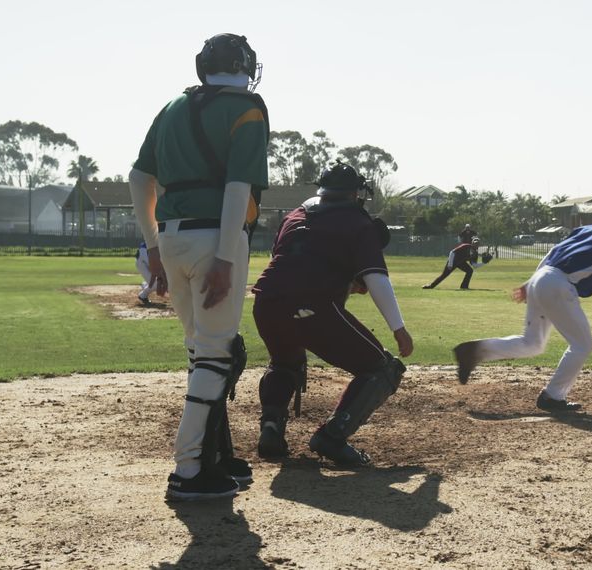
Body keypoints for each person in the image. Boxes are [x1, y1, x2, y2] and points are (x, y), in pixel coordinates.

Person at [128, 33, 269, 501]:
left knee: (201, 354)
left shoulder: (171, 107)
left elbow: (139, 177)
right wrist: (227, 258)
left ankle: (214, 456)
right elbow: (237, 187)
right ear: (246, 66)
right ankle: (189, 469)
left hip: (170, 236)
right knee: (215, 356)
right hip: (218, 236)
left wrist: (151, 246)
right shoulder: (247, 106)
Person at [252, 162, 412, 468]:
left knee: (285, 364)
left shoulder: (294, 216)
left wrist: (342, 282)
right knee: (381, 369)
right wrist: (398, 328)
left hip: (266, 302)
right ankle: (332, 436)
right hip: (310, 306)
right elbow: (376, 278)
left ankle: (271, 428)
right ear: (355, 193)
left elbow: (294, 262)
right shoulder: (357, 221)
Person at [452, 203, 592, 411]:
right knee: (583, 345)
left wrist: (530, 282)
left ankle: (474, 351)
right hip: (559, 284)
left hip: (543, 277)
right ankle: (553, 397)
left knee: (532, 343)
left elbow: (554, 251)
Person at [422, 237, 490, 290]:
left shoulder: (475, 254)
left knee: (470, 271)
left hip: (461, 263)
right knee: (444, 275)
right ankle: (431, 286)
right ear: (472, 243)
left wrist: (484, 263)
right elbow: (452, 252)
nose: (476, 245)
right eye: (475, 243)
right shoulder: (465, 246)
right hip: (453, 261)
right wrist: (450, 264)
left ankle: (464, 286)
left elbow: (474, 266)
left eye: (477, 244)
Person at [135, 240, 156, 305]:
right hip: (141, 263)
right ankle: (142, 296)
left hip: (143, 258)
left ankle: (144, 285)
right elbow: (154, 271)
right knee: (156, 284)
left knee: (156, 283)